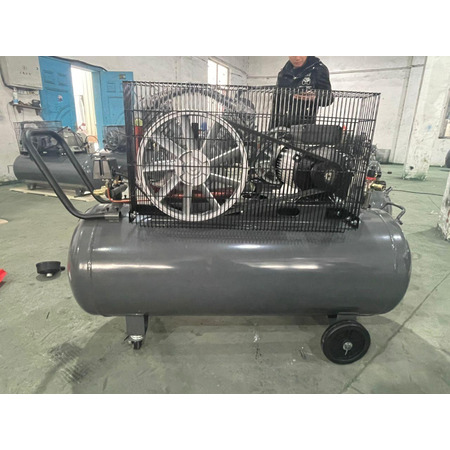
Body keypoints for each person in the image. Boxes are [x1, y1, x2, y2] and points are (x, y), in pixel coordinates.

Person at [272, 56, 333, 127]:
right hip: (282, 123)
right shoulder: (284, 73)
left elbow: (328, 97)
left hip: (305, 123)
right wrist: (272, 128)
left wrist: (314, 97)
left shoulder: (318, 70)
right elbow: (277, 102)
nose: (297, 58)